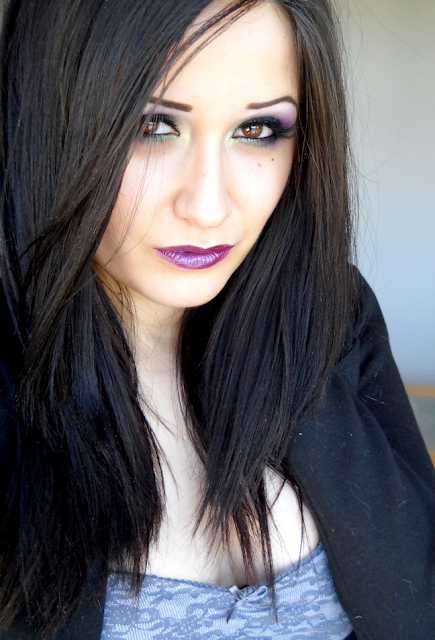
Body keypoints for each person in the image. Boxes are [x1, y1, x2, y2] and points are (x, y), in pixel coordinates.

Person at [0, 0, 434, 638]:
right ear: (47, 121)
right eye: (151, 125)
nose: (208, 207)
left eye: (257, 130)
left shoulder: (332, 313)